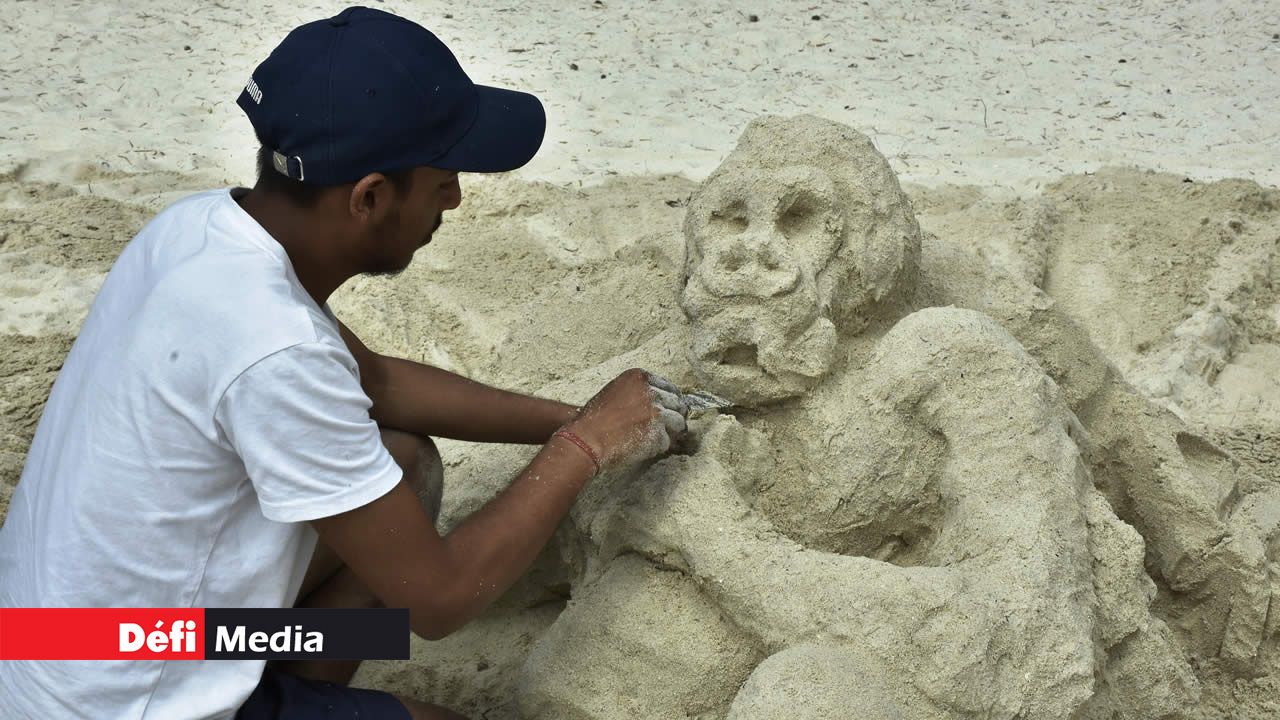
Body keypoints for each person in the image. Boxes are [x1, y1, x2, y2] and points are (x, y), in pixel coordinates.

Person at [0, 7, 688, 719]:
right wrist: (585, 447)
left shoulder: (199, 229)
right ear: (370, 198)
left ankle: (289, 689)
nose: (454, 195)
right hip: (109, 700)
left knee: (403, 462)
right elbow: (442, 600)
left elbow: (380, 383)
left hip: (62, 638)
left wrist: (580, 416)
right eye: (442, 176)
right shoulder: (275, 348)